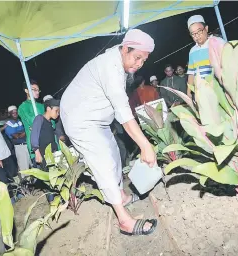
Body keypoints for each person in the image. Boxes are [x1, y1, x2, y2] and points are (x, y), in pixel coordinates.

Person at [60, 29, 157, 236]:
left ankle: (120, 195)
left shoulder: (119, 63)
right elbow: (122, 110)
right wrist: (145, 145)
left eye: (143, 60)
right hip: (80, 120)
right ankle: (124, 220)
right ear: (124, 49)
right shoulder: (109, 66)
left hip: (97, 121)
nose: (139, 64)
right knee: (103, 159)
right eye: (136, 57)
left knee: (113, 153)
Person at [186, 15, 226, 98]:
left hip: (219, 90)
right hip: (202, 94)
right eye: (193, 34)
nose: (196, 36)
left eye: (199, 31)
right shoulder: (192, 51)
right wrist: (189, 92)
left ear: (206, 29)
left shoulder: (218, 42)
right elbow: (191, 73)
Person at [18, 79, 45, 159]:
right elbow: (33, 121)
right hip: (35, 145)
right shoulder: (23, 107)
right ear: (26, 90)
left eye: (38, 90)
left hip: (47, 141)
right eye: (34, 90)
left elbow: (51, 123)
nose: (37, 92)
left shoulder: (41, 106)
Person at [31, 99, 60, 169]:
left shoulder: (50, 122)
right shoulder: (39, 118)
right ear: (48, 109)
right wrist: (37, 153)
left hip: (53, 153)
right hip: (44, 154)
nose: (58, 114)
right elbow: (34, 135)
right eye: (56, 111)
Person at [5, 106, 32, 173]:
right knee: (24, 169)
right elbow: (17, 136)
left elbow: (20, 134)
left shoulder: (20, 121)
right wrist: (27, 130)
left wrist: (22, 133)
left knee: (32, 166)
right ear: (9, 114)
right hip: (20, 147)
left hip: (27, 144)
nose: (15, 113)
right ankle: (26, 182)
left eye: (16, 111)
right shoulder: (8, 124)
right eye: (12, 112)